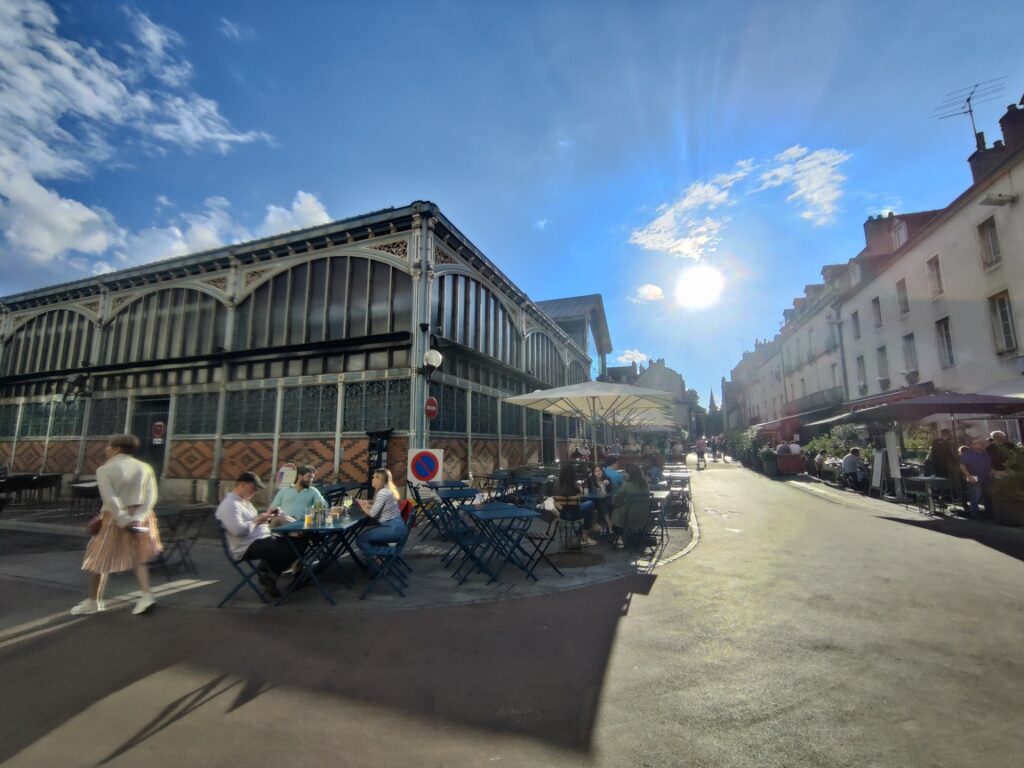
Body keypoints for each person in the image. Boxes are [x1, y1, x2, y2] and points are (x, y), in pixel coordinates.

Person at [71, 434, 163, 616]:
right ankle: (146, 596)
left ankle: (94, 601)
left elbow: (110, 498)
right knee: (138, 556)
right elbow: (151, 496)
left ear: (117, 448)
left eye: (109, 446)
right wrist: (138, 517)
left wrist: (123, 519)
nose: (107, 449)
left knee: (100, 558)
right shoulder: (145, 467)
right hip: (141, 516)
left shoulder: (105, 469)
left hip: (114, 517)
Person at [217, 471, 308, 598]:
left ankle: (270, 576)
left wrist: (268, 516)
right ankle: (268, 572)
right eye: (254, 488)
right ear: (243, 484)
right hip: (247, 546)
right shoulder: (230, 504)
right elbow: (238, 531)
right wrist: (259, 520)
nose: (255, 492)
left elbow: (253, 523)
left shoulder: (244, 502)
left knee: (301, 540)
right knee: (293, 545)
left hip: (262, 539)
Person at [355, 468, 407, 551]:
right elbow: (380, 509)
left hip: (392, 529)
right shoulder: (386, 491)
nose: (372, 479)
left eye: (374, 477)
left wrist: (362, 504)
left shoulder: (383, 493)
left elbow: (372, 514)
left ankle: (378, 559)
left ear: (379, 479)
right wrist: (368, 505)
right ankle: (382, 558)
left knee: (361, 540)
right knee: (368, 534)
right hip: (397, 527)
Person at [553, 464, 597, 546]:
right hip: (573, 514)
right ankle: (585, 537)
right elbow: (581, 497)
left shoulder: (556, 484)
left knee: (588, 508)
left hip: (562, 515)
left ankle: (582, 532)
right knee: (591, 504)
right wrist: (579, 488)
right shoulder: (570, 485)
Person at [609, 463, 650, 550]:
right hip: (644, 517)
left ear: (629, 474)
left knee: (613, 510)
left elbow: (615, 500)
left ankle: (619, 536)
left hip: (629, 518)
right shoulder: (645, 485)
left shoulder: (627, 486)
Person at [960, 438, 994, 519]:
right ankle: (974, 513)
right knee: (975, 496)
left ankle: (989, 512)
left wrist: (992, 472)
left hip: (986, 477)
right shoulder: (966, 454)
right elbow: (962, 466)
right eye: (977, 443)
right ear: (971, 445)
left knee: (987, 495)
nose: (980, 444)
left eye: (980, 442)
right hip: (973, 476)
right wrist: (968, 476)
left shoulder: (984, 452)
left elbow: (989, 463)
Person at [586, 465, 613, 534]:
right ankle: (605, 524)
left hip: (606, 499)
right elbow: (589, 491)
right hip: (595, 499)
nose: (598, 472)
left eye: (600, 470)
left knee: (603, 505)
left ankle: (604, 525)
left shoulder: (607, 479)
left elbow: (610, 491)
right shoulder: (590, 480)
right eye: (596, 471)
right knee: (598, 505)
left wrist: (607, 484)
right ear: (593, 473)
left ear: (602, 471)